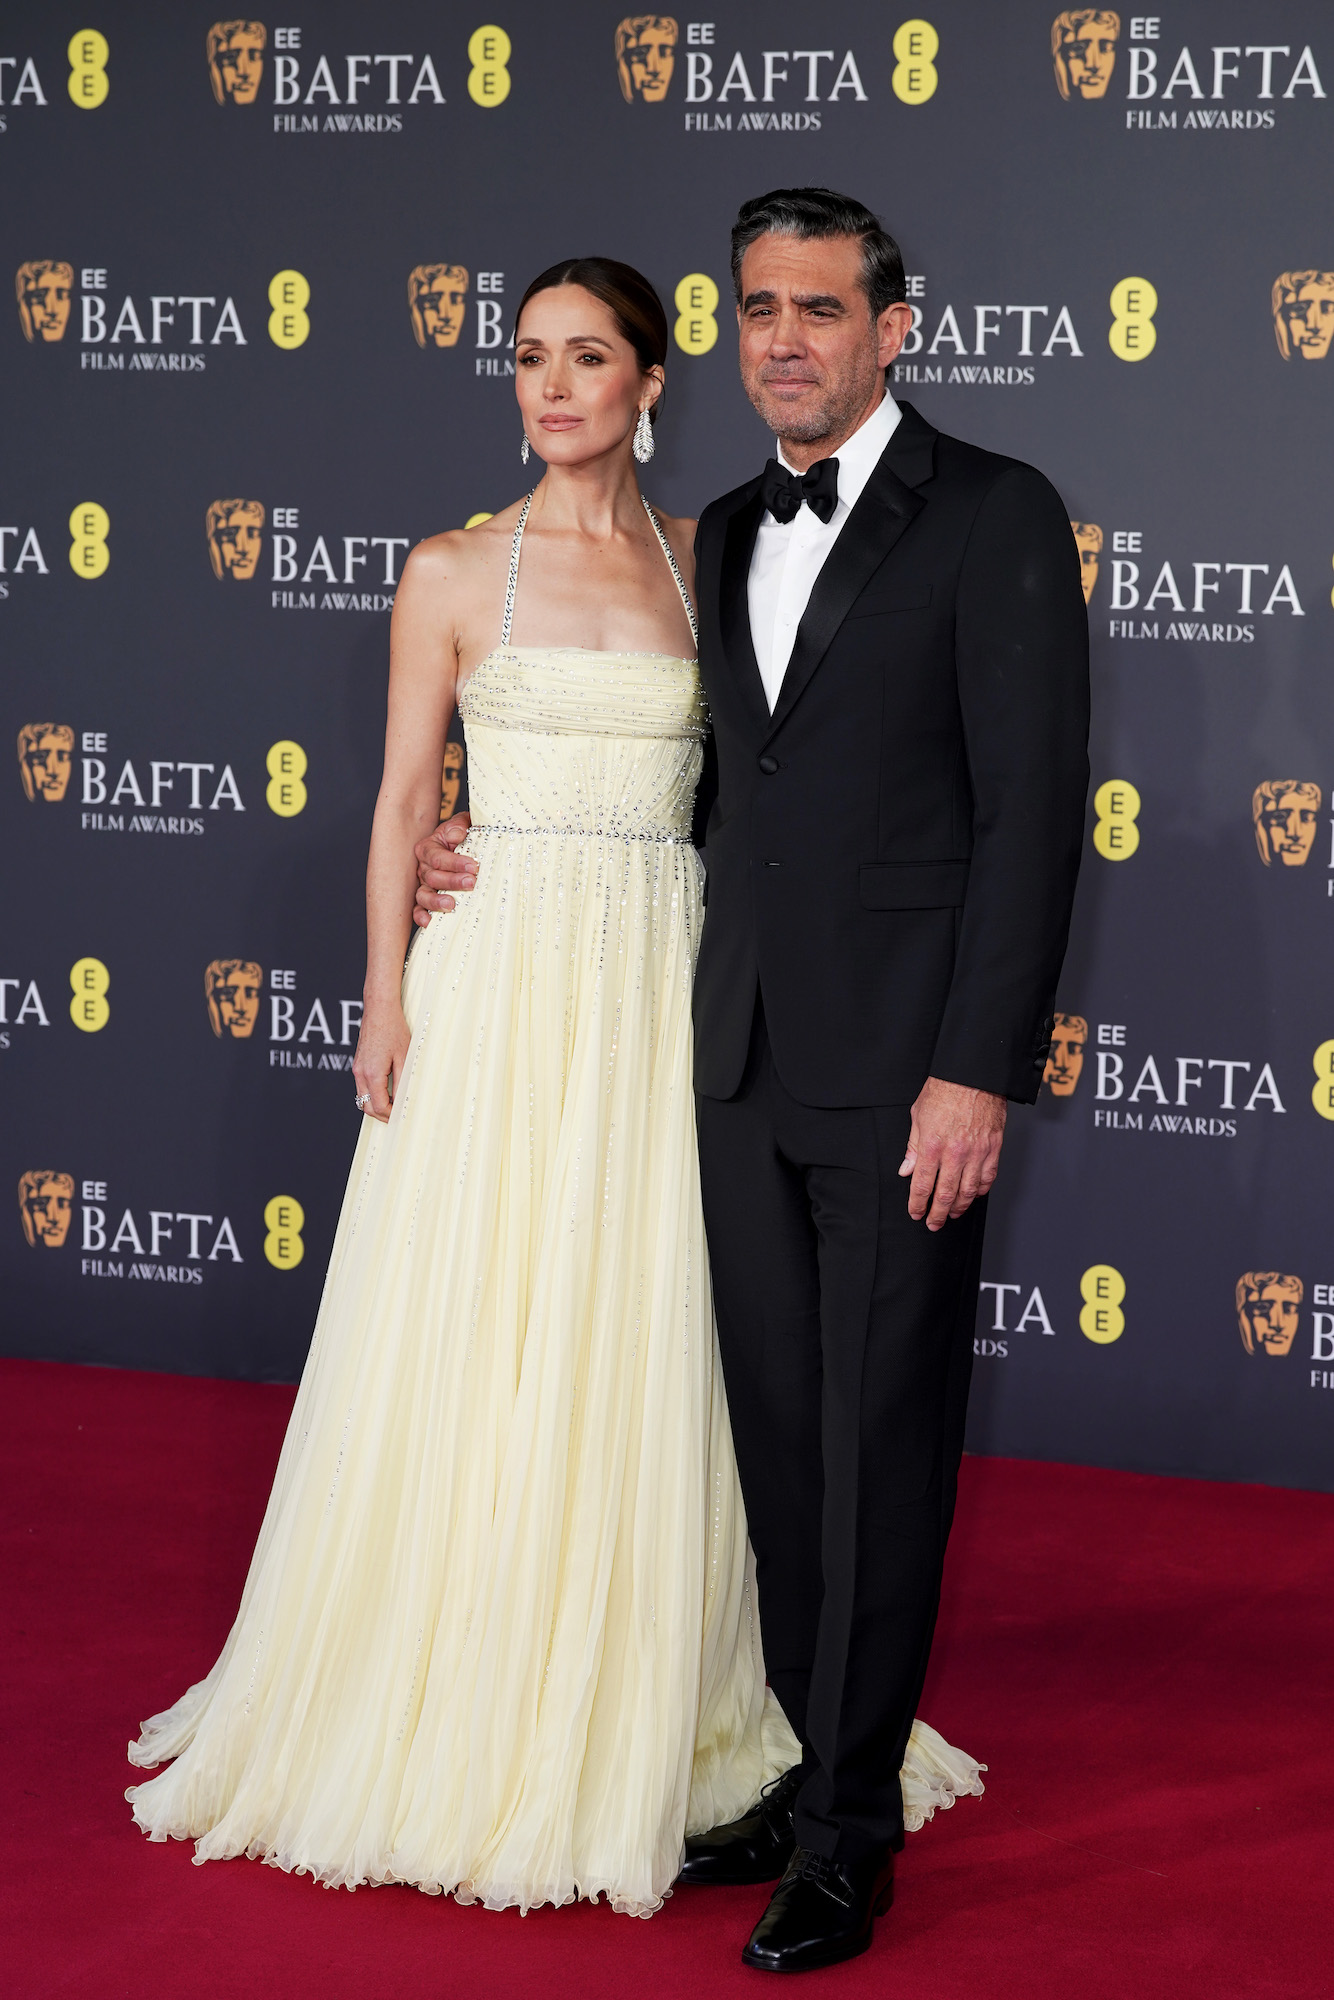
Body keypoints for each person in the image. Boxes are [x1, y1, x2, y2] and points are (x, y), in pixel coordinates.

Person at [125, 253, 982, 1921]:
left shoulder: (713, 556)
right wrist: (384, 991)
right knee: (476, 1321)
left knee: (651, 1330)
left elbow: (771, 783)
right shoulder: (451, 570)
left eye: (589, 357)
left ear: (650, 383)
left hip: (666, 988)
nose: (553, 387)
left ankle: (684, 1706)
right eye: (529, 357)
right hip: (496, 981)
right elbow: (401, 803)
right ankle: (462, 1696)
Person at [417, 188, 1088, 1970]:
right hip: (725, 1063)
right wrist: (475, 843)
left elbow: (1030, 821)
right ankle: (804, 1766)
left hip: (903, 1080)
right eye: (756, 311)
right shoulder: (713, 536)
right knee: (779, 1447)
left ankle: (849, 1837)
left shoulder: (996, 512)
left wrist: (974, 1073)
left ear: (892, 328)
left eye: (818, 308)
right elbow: (706, 795)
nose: (783, 340)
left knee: (876, 1451)